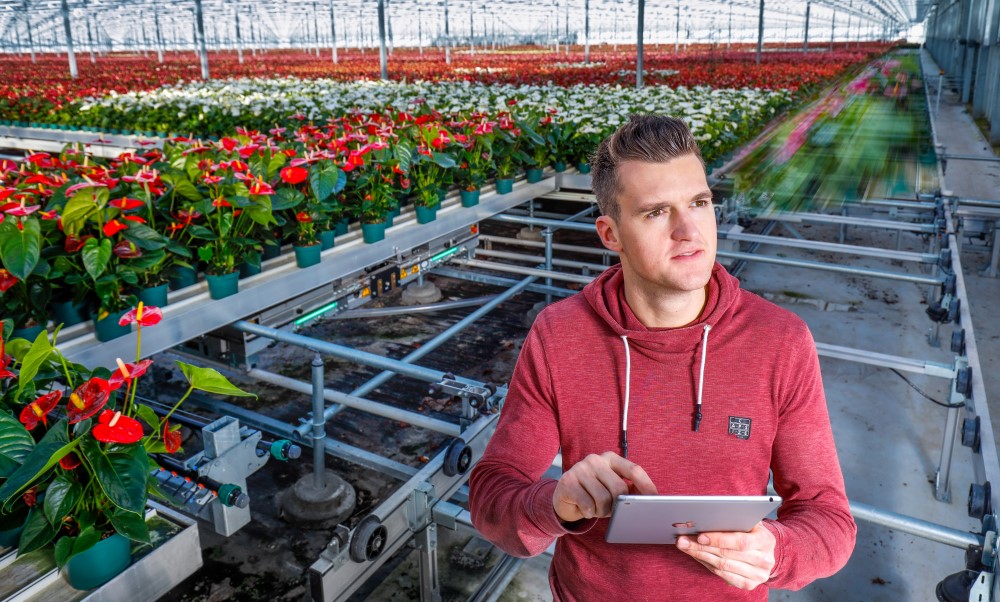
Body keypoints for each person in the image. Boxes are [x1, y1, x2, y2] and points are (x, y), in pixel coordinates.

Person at [468, 114, 856, 601]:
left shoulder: (779, 341)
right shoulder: (560, 336)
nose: (688, 229)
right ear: (611, 235)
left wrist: (777, 551)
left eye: (699, 203)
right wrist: (558, 503)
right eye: (656, 212)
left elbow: (831, 520)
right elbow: (490, 500)